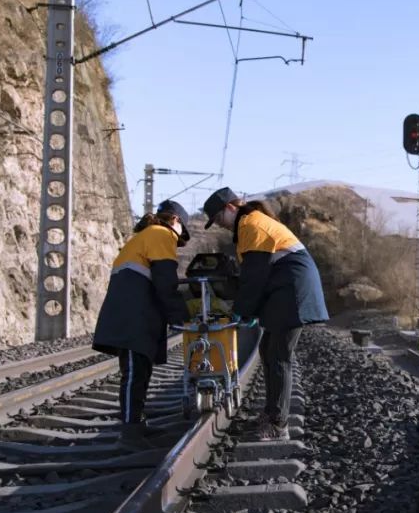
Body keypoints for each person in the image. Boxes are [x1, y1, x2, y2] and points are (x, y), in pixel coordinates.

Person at [201, 187, 329, 440]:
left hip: (293, 288)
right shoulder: (250, 224)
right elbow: (257, 274)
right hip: (286, 288)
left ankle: (278, 425)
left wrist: (241, 311)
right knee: (268, 350)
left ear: (230, 208)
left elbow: (254, 276)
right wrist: (246, 310)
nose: (219, 225)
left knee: (280, 355)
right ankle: (271, 414)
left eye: (218, 219)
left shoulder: (251, 224)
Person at [93, 203, 191, 450]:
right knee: (135, 373)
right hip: (134, 313)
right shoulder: (161, 234)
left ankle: (137, 423)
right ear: (176, 220)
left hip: (132, 311)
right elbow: (165, 281)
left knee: (140, 371)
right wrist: (182, 315)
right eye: (181, 233)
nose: (177, 243)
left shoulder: (144, 237)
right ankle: (129, 433)